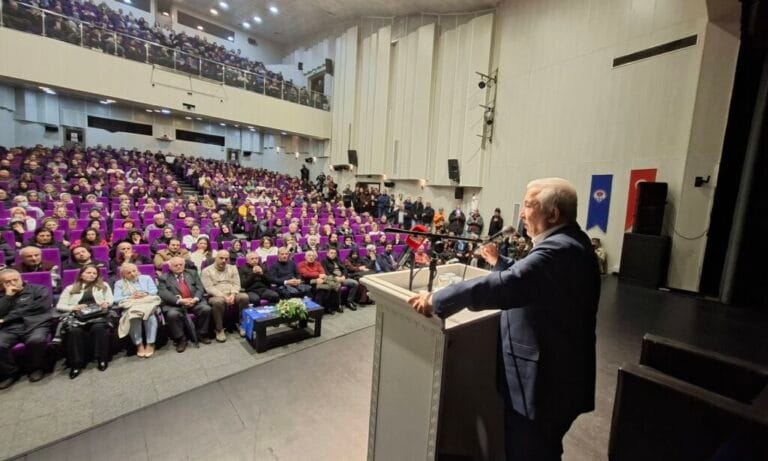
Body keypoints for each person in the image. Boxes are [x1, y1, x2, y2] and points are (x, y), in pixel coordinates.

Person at [408, 178, 600, 461]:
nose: (521, 213)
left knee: (530, 452)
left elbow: (512, 284)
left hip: (544, 386)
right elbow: (534, 280)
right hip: (555, 379)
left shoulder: (559, 249)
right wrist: (500, 262)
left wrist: (438, 299)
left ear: (553, 214)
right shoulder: (569, 243)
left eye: (528, 205)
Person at [56, 265, 114, 379]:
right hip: (78, 317)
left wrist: (106, 303)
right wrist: (74, 307)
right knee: (74, 331)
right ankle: (76, 363)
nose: (91, 275)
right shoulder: (70, 288)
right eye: (88, 273)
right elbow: (60, 305)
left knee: (99, 328)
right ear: (81, 274)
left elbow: (110, 299)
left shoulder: (103, 286)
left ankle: (101, 358)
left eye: (94, 273)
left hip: (98, 314)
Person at [0, 269, 54, 389]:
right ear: (2, 284)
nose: (13, 283)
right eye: (8, 282)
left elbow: (40, 307)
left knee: (36, 340)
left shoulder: (39, 289)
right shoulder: (2, 295)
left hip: (36, 323)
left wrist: (6, 318)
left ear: (21, 278)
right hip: (10, 327)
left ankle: (37, 368)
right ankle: (10, 373)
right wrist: (8, 297)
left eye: (15, 280)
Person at [157, 257, 212, 353]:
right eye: (176, 265)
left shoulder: (192, 273)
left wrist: (195, 299)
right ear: (170, 267)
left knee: (206, 309)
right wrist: (180, 301)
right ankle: (181, 339)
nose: (179, 267)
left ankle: (201, 334)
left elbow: (200, 288)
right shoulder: (163, 278)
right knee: (172, 314)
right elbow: (164, 294)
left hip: (194, 301)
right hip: (176, 304)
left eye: (181, 265)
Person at [113, 263, 161, 358]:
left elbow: (154, 290)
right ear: (123, 275)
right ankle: (139, 344)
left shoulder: (146, 278)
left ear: (137, 270)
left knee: (150, 315)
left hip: (147, 302)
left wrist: (144, 293)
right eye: (128, 273)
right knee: (133, 317)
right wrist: (131, 296)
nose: (132, 274)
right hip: (131, 305)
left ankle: (150, 343)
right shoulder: (119, 283)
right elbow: (116, 299)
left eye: (134, 271)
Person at [201, 250, 249, 342]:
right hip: (216, 295)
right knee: (218, 302)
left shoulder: (233, 268)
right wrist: (224, 296)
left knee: (244, 297)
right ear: (216, 258)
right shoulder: (206, 271)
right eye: (221, 258)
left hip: (231, 293)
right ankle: (219, 329)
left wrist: (233, 294)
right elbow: (209, 288)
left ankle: (242, 324)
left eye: (226, 259)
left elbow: (237, 284)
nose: (224, 260)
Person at [297, 250, 339, 314]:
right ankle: (316, 311)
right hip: (308, 282)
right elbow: (306, 274)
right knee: (321, 290)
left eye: (313, 256)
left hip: (320, 280)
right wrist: (318, 275)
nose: (311, 257)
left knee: (330, 288)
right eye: (309, 255)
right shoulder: (301, 264)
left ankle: (328, 308)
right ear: (305, 257)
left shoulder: (317, 263)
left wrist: (320, 277)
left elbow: (323, 272)